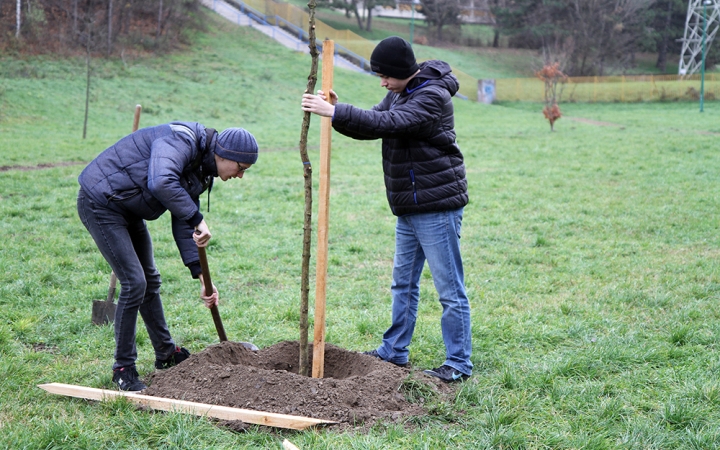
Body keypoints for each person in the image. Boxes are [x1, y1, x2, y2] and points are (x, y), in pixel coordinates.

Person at [301, 36, 472, 382]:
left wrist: (335, 112)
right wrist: (339, 112)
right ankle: (394, 351)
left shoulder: (431, 96)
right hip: (409, 204)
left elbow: (390, 124)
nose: (382, 83)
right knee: (402, 283)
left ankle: (458, 363)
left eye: (384, 76)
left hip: (436, 206)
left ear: (400, 72)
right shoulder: (400, 91)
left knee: (449, 289)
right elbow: (374, 122)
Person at [77, 122, 258, 391]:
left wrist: (201, 277)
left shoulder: (203, 170)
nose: (240, 176)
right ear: (224, 155)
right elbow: (161, 181)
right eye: (241, 169)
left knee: (150, 279)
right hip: (102, 202)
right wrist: (198, 218)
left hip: (128, 207)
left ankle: (166, 354)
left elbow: (183, 220)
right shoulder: (181, 140)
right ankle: (123, 368)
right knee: (135, 282)